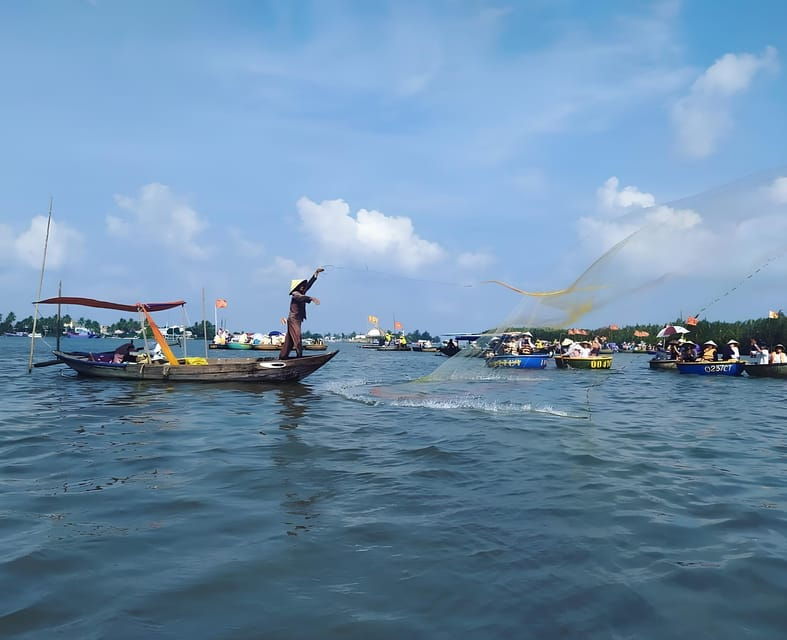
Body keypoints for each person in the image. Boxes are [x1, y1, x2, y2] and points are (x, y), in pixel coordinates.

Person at [279, 267, 324, 359]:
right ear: (297, 287)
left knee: (290, 340)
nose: (303, 287)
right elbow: (301, 298)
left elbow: (309, 284)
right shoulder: (295, 294)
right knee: (297, 338)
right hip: (293, 319)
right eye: (301, 285)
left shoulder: (302, 291)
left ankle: (283, 357)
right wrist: (311, 298)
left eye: (303, 285)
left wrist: (316, 273)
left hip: (298, 320)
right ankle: (300, 356)